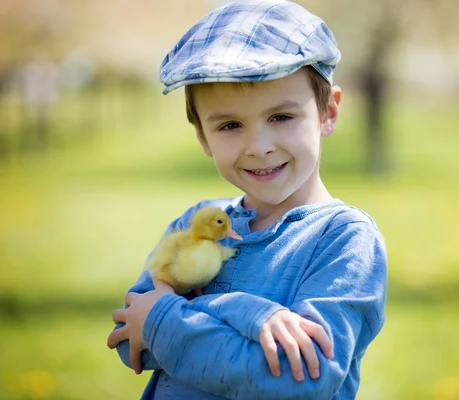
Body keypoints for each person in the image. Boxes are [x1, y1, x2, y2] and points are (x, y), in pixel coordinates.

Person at [106, 1, 387, 399]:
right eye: (230, 125)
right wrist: (247, 315)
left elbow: (301, 378)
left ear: (327, 111)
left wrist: (168, 320)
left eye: (281, 117)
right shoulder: (199, 223)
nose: (259, 147)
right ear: (203, 136)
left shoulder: (343, 239)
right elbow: (130, 336)